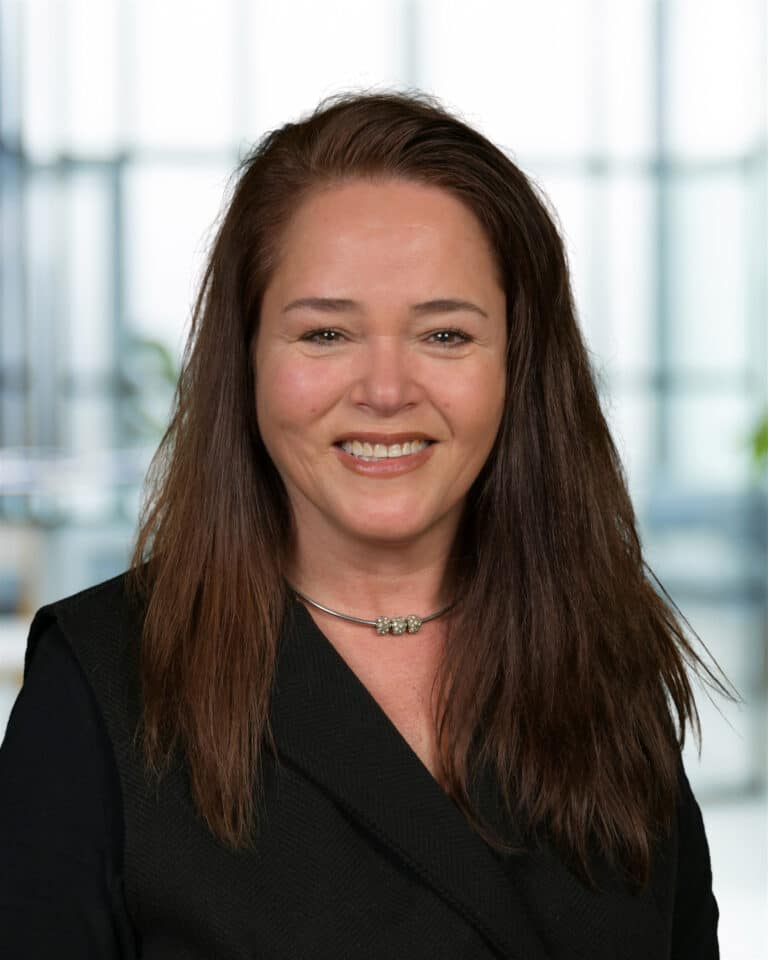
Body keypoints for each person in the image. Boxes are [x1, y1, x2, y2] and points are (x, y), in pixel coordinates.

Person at [0, 89, 729, 959]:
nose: (385, 391)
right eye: (326, 335)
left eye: (447, 336)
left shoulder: (603, 665)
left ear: (521, 368)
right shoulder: (102, 682)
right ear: (247, 363)